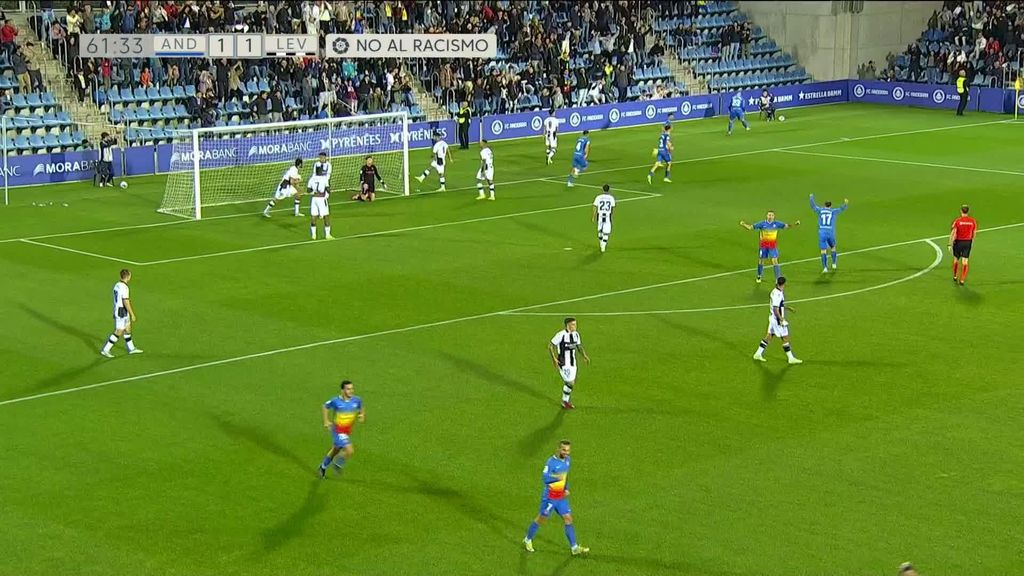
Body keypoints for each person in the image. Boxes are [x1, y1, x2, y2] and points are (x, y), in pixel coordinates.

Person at [523, 440, 589, 556]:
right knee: (541, 519)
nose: (566, 452)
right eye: (564, 450)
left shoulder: (568, 460)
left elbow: (566, 476)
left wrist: (566, 488)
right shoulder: (551, 462)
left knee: (568, 518)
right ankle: (528, 539)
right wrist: (557, 477)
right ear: (558, 449)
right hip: (550, 497)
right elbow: (545, 478)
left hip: (561, 497)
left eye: (568, 450)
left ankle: (574, 548)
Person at [318, 380, 365, 478]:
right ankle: (338, 464)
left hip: (347, 431)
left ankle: (322, 467)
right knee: (349, 450)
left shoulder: (356, 400)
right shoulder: (336, 401)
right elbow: (325, 406)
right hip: (338, 431)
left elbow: (361, 406)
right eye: (348, 389)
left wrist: (361, 414)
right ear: (343, 390)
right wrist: (326, 421)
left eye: (352, 388)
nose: (351, 391)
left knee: (335, 450)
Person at [753, 276, 802, 364]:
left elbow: (778, 306)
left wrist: (787, 308)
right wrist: (781, 319)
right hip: (777, 320)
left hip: (772, 318)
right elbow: (775, 309)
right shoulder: (778, 294)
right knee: (785, 337)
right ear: (783, 284)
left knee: (769, 336)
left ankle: (758, 354)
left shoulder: (775, 291)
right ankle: (791, 358)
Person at [740, 211, 800, 283]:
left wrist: (795, 224)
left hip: (772, 246)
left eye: (771, 215)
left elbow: (787, 226)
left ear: (774, 216)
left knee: (775, 261)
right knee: (761, 261)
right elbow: (750, 227)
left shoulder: (777, 224)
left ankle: (778, 278)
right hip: (763, 246)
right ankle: (759, 275)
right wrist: (743, 224)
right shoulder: (762, 224)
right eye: (769, 215)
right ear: (766, 216)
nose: (770, 216)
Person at [100, 269, 143, 358]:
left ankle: (131, 349)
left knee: (128, 329)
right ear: (128, 276)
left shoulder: (117, 285)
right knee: (119, 331)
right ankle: (106, 349)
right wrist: (132, 314)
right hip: (121, 311)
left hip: (119, 309)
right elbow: (125, 301)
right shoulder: (124, 287)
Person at [549, 317, 590, 409]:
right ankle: (565, 401)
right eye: (573, 324)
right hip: (563, 363)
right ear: (568, 325)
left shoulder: (576, 335)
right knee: (570, 382)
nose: (575, 326)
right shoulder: (561, 335)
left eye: (575, 324)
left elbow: (578, 346)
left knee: (572, 382)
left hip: (573, 363)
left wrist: (584, 356)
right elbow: (550, 346)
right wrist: (554, 359)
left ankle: (565, 401)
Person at [809, 194, 849, 273]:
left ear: (824, 205)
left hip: (822, 232)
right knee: (833, 248)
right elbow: (841, 209)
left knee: (823, 251)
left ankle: (825, 268)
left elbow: (813, 206)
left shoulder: (820, 210)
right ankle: (834, 264)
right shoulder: (833, 211)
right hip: (830, 232)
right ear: (830, 206)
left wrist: (811, 198)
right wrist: (845, 203)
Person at [949, 204, 977, 285]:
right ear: (968, 211)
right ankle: (962, 280)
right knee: (965, 262)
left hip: (958, 242)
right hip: (967, 242)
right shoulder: (972, 221)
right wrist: (972, 241)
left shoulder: (957, 221)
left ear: (961, 211)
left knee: (956, 259)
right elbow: (974, 232)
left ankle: (955, 276)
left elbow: (953, 232)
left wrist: (950, 243)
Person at [308, 152, 333, 240]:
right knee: (326, 216)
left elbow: (308, 190)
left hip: (314, 198)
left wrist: (313, 190)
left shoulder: (311, 178)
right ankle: (327, 235)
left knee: (313, 216)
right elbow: (328, 188)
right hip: (322, 198)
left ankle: (313, 235)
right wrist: (329, 191)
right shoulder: (324, 178)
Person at [592, 184, 616, 253]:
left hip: (600, 215)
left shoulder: (598, 197)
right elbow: (613, 208)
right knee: (606, 232)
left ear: (602, 189)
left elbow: (595, 207)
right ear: (609, 189)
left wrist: (593, 216)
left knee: (600, 231)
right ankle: (603, 246)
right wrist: (612, 216)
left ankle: (601, 243)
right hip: (607, 216)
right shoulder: (611, 198)